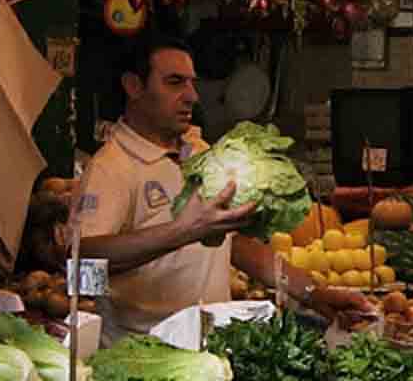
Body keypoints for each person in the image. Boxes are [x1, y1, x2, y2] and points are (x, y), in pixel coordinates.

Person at [79, 34, 369, 343]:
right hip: (145, 357)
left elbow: (234, 244)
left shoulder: (198, 150)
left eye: (192, 83)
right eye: (175, 82)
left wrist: (312, 292)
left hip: (211, 349)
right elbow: (83, 262)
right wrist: (185, 231)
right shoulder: (111, 167)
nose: (192, 96)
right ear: (134, 86)